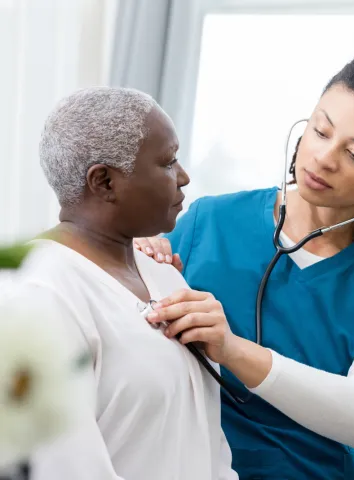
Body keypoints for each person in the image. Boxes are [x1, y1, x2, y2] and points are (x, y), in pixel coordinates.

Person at [134, 48, 354, 479]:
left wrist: (232, 349)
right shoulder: (210, 221)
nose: (323, 158)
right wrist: (134, 260)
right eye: (321, 131)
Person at [3, 87, 238, 480]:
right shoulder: (36, 294)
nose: (183, 177)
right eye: (168, 162)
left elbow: (205, 441)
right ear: (105, 182)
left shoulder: (164, 273)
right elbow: (66, 470)